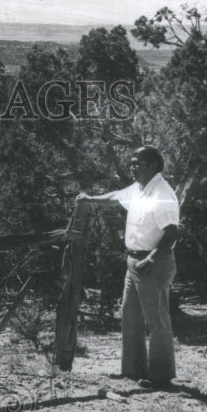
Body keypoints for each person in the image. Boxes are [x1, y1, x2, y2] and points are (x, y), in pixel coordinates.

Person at [77, 146, 179, 389]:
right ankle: (133, 370)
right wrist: (90, 199)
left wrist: (152, 258)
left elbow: (173, 232)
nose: (132, 167)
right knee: (130, 314)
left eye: (138, 163)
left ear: (153, 166)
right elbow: (115, 196)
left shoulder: (162, 194)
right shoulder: (139, 189)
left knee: (156, 320)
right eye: (131, 163)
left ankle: (161, 377)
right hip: (134, 262)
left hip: (153, 262)